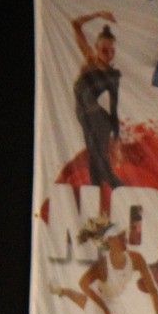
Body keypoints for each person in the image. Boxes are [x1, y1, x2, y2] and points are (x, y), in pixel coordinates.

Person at [69, 10, 124, 188]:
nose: (108, 54)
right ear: (97, 48)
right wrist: (98, 14)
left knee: (96, 154)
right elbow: (75, 24)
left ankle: (103, 186)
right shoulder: (90, 61)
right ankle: (108, 184)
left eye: (111, 51)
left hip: (98, 118)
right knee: (95, 153)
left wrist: (117, 136)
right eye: (104, 50)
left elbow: (114, 107)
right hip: (86, 114)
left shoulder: (112, 76)